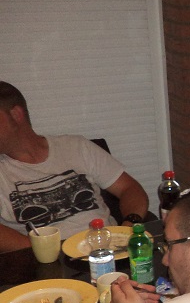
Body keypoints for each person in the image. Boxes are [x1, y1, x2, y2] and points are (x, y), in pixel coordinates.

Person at [0, 81, 149, 252]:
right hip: (49, 261)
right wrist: (40, 249)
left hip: (107, 251)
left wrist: (128, 228)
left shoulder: (76, 147)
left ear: (16, 114)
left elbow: (130, 189)